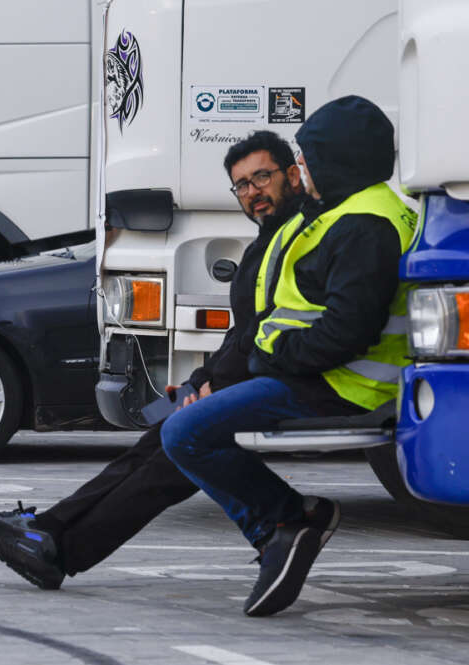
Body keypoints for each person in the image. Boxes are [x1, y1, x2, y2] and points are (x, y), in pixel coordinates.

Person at [0, 130, 310, 591]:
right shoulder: (266, 243)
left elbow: (271, 332)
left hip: (286, 382)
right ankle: (47, 531)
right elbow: (242, 334)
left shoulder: (301, 237)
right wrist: (201, 379)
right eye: (242, 185)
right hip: (250, 378)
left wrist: (212, 387)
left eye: (262, 178)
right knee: (155, 445)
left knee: (171, 457)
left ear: (291, 175)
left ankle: (58, 548)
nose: (253, 193)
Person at [159, 95, 417, 617]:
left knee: (182, 433)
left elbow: (349, 329)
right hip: (319, 375)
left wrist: (272, 358)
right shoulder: (355, 211)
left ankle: (290, 521)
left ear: (337, 158)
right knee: (181, 425)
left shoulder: (364, 225)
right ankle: (284, 530)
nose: (302, 170)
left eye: (307, 158)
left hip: (338, 386)